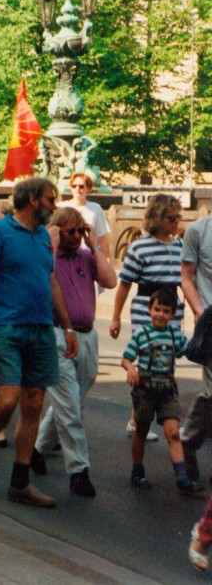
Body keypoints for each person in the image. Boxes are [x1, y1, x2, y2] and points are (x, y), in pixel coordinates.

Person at [0, 177, 78, 509]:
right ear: (31, 200)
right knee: (8, 399)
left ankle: (19, 483)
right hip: (5, 328)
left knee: (33, 402)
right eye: (49, 198)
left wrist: (68, 327)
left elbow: (52, 283)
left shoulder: (44, 236)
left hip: (41, 328)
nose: (53, 205)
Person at [30, 206, 118, 498]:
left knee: (72, 404)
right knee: (69, 406)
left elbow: (110, 280)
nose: (76, 236)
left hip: (87, 336)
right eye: (71, 231)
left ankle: (37, 448)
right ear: (57, 231)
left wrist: (94, 246)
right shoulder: (47, 257)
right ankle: (79, 471)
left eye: (80, 230)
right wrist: (51, 242)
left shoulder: (85, 256)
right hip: (57, 336)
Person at [110, 193, 185, 442]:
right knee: (149, 362)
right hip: (146, 310)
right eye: (171, 218)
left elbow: (186, 282)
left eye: (178, 218)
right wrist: (116, 318)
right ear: (157, 218)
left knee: (166, 362)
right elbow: (124, 285)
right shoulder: (140, 247)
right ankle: (138, 418)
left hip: (172, 310)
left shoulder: (179, 247)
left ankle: (162, 415)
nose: (176, 223)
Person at [121, 288, 202, 494]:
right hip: (145, 390)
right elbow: (126, 358)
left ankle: (182, 479)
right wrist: (131, 368)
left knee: (173, 433)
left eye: (166, 311)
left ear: (172, 314)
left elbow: (191, 352)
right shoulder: (141, 333)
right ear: (149, 309)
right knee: (141, 430)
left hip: (167, 389)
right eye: (157, 309)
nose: (160, 314)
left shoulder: (175, 333)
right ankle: (137, 471)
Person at [182, 213, 212, 483]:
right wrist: (201, 313)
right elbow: (187, 278)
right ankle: (188, 442)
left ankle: (188, 441)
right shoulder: (198, 231)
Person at [58, 171, 111, 257]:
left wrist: (108, 262)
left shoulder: (96, 209)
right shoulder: (61, 207)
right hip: (66, 255)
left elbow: (102, 239)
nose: (77, 189)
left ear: (88, 188)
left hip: (89, 256)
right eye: (74, 186)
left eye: (81, 186)